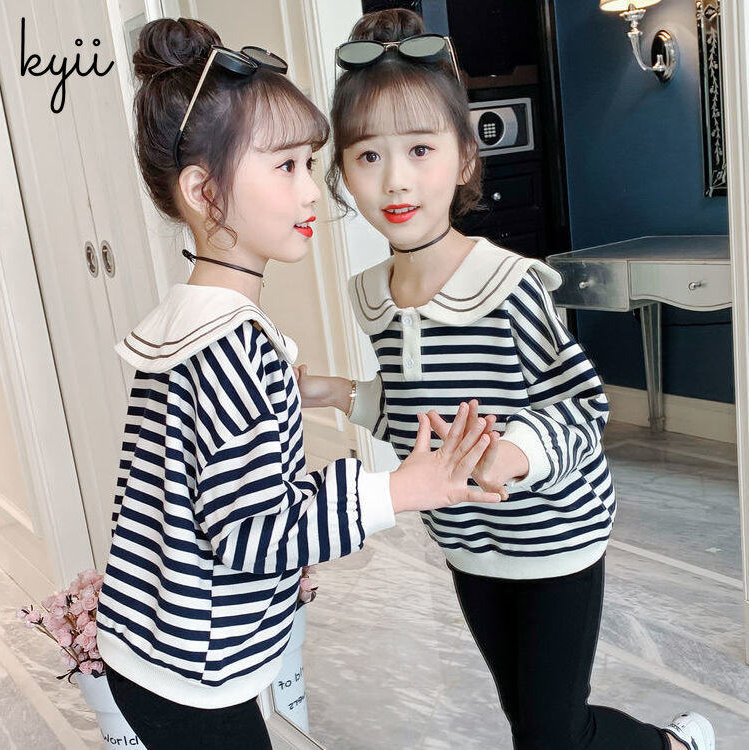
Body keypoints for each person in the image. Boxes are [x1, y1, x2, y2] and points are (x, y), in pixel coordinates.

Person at [295, 9, 715, 750]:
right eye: (368, 156)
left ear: (463, 158)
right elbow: (415, 412)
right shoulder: (372, 297)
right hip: (466, 540)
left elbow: (582, 406)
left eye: (420, 149)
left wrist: (515, 454)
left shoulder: (508, 283)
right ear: (343, 175)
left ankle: (674, 745)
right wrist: (339, 394)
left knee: (553, 733)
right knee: (528, 722)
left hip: (555, 533)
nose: (395, 179)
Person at [95, 17, 500, 749]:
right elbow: (254, 534)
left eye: (310, 164)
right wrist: (399, 489)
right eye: (286, 167)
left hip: (149, 639)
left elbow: (193, 496)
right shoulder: (232, 346)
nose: (313, 192)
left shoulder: (188, 320)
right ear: (203, 190)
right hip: (194, 668)